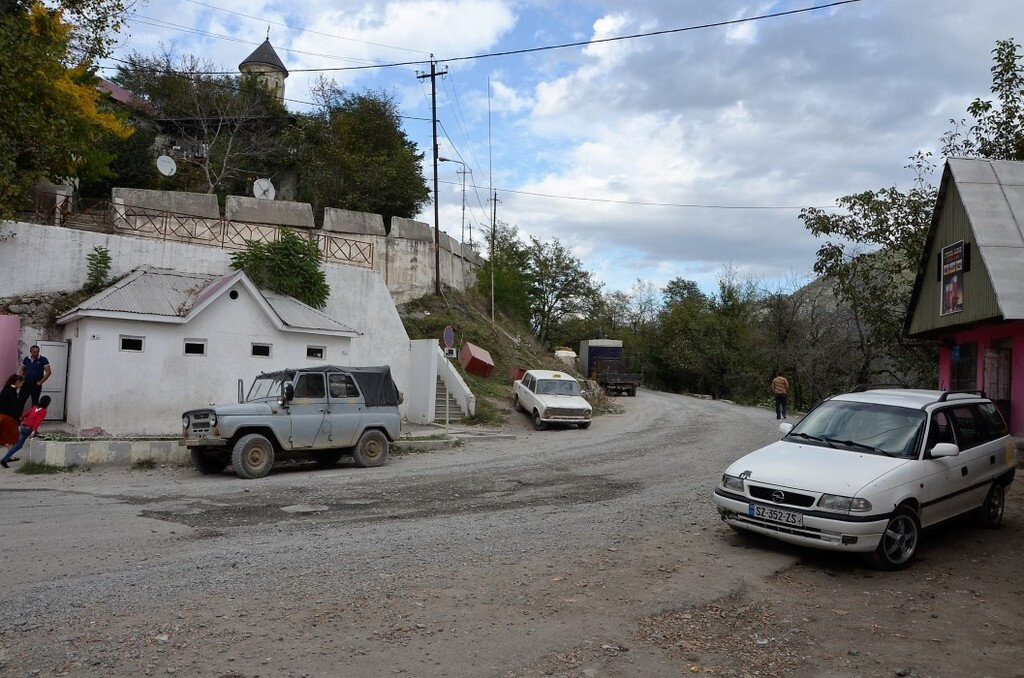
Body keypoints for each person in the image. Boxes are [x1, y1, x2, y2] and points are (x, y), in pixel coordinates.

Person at [1, 395, 50, 468]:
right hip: (29, 429)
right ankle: (39, 458)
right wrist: (34, 431)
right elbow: (37, 421)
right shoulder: (43, 411)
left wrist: (21, 418)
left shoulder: (34, 407)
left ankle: (4, 459)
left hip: (23, 427)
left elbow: (25, 414)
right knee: (40, 438)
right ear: (47, 403)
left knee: (18, 445)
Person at [18, 345, 51, 412]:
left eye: (37, 352)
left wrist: (40, 382)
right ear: (31, 352)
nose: (36, 353)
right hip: (26, 384)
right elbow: (22, 369)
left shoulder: (43, 359)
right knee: (20, 401)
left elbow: (48, 372)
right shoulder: (26, 359)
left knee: (35, 403)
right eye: (34, 352)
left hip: (36, 384)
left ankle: (32, 420)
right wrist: (21, 379)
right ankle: (18, 418)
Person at [0, 374, 23, 448]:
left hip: (2, 416)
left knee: (5, 437)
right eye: (21, 383)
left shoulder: (5, 389)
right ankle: (9, 456)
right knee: (12, 437)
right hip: (9, 418)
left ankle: (8, 456)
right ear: (18, 382)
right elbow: (14, 407)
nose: (21, 385)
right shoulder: (12, 392)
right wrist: (18, 418)